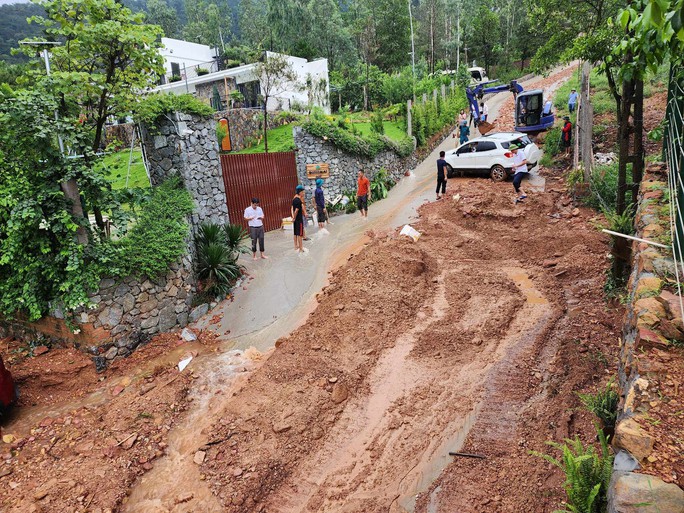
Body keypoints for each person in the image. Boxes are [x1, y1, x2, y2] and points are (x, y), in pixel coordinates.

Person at [292, 185, 305, 252]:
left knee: (296, 233)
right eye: (303, 192)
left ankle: (296, 246)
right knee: (300, 234)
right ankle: (301, 248)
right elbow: (296, 210)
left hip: (296, 220)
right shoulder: (298, 200)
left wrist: (293, 217)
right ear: (299, 192)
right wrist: (294, 217)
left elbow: (293, 209)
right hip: (298, 219)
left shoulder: (294, 199)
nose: (303, 193)